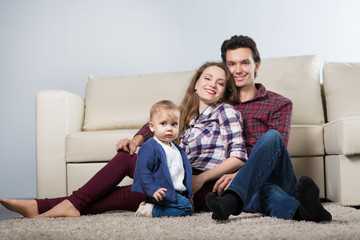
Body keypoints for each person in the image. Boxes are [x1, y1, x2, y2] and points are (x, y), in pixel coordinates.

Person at [0, 61, 247, 218]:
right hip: (169, 176)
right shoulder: (184, 116)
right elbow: (153, 128)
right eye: (207, 78)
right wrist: (136, 140)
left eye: (220, 82)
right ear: (196, 83)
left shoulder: (226, 112)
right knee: (123, 170)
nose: (212, 84)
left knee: (124, 175)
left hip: (194, 181)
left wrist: (199, 178)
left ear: (225, 91)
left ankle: (45, 206)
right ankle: (53, 206)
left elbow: (238, 157)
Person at [204, 35, 332, 222]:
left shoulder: (279, 103)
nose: (238, 70)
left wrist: (239, 176)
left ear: (256, 65)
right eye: (231, 64)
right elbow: (176, 118)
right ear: (225, 68)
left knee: (272, 137)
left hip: (274, 178)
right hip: (245, 188)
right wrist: (143, 135)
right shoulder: (217, 105)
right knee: (263, 192)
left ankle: (231, 200)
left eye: (245, 63)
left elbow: (279, 148)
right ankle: (306, 211)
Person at [132, 100, 193, 218]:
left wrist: (188, 194)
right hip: (159, 192)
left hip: (175, 191)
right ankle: (149, 211)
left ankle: (155, 208)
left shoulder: (176, 148)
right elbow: (143, 171)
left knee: (188, 206)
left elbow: (181, 172)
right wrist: (152, 189)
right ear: (152, 126)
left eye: (174, 124)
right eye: (163, 124)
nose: (169, 129)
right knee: (186, 208)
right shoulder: (150, 146)